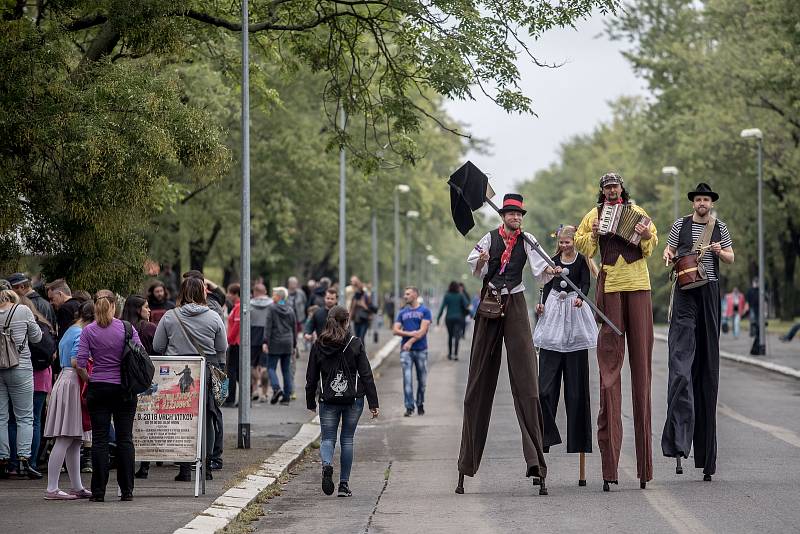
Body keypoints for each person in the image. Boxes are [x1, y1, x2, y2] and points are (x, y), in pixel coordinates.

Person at [455, 194, 557, 496]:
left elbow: (541, 266)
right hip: (490, 303)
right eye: (512, 214)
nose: (516, 218)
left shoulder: (528, 239)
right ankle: (465, 465)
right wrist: (483, 263)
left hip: (515, 301)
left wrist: (553, 270)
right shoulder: (488, 238)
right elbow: (475, 264)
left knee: (527, 380)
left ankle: (537, 464)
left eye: (519, 214)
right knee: (477, 383)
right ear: (503, 216)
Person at [575, 172, 658, 492]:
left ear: (622, 189)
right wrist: (593, 233)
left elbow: (650, 246)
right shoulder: (593, 215)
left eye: (615, 186)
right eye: (607, 187)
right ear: (602, 190)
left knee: (643, 374)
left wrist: (645, 233)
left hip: (639, 287)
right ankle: (610, 467)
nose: (611, 190)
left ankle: (644, 468)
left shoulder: (638, 213)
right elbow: (585, 248)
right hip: (610, 289)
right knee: (609, 373)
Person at [662, 183, 734, 482]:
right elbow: (668, 249)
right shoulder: (681, 224)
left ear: (710, 203)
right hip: (684, 292)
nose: (702, 203)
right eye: (699, 199)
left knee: (707, 367)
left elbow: (731, 256)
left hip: (709, 293)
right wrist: (668, 254)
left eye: (706, 199)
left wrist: (720, 250)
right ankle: (678, 440)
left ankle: (706, 456)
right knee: (680, 365)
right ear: (693, 202)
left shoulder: (720, 227)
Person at [533, 225, 597, 484]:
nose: (565, 245)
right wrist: (540, 304)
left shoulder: (582, 260)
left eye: (569, 241)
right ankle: (544, 443)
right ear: (558, 242)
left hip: (575, 322)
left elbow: (585, 283)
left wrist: (580, 296)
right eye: (562, 242)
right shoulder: (551, 262)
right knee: (544, 391)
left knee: (577, 393)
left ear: (574, 241)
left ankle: (579, 447)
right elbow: (545, 288)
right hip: (553, 322)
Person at [153, 277, 228, 480]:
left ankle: (185, 469)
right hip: (205, 371)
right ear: (202, 293)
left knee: (181, 418)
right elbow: (222, 347)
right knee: (206, 417)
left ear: (182, 293)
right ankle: (207, 466)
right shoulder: (213, 317)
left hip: (178, 376)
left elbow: (157, 346)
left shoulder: (170, 317)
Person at [305, 305, 379, 497]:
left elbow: (311, 376)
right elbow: (366, 374)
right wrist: (373, 403)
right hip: (353, 399)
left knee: (328, 438)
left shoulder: (319, 344)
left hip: (328, 399)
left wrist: (310, 401)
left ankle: (327, 464)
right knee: (347, 440)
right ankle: (344, 485)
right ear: (347, 321)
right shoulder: (355, 343)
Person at [75, 294, 142, 501]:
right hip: (123, 389)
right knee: (125, 439)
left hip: (99, 388)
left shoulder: (88, 331)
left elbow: (80, 361)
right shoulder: (127, 328)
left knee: (100, 441)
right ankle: (127, 491)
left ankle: (98, 492)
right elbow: (141, 354)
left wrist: (90, 379)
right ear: (114, 307)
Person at [43, 301, 94, 500]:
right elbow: (76, 361)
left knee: (73, 439)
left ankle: (76, 486)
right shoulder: (81, 333)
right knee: (65, 437)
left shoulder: (70, 330)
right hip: (73, 381)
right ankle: (52, 488)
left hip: (66, 380)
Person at [9, 294, 57, 473]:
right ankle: (31, 462)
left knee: (13, 420)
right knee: (34, 420)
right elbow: (52, 351)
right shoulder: (43, 325)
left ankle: (12, 463)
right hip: (41, 376)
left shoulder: (10, 321)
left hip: (15, 370)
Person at [0, 290, 43, 479]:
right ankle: (24, 460)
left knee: (1, 417)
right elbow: (37, 338)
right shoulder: (23, 310)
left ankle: (3, 459)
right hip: (21, 367)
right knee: (25, 417)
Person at [393, 286, 432, 418]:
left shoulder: (425, 311)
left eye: (408, 294)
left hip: (421, 350)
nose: (405, 296)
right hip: (406, 352)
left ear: (415, 294)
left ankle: (420, 403)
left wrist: (409, 341)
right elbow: (395, 330)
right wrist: (409, 333)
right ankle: (409, 407)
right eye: (405, 294)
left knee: (422, 380)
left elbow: (422, 331)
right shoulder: (402, 312)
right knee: (407, 379)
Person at [263, 287, 297, 406]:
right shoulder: (290, 309)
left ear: (279, 297)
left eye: (274, 295)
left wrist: (265, 341)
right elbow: (294, 328)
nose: (273, 297)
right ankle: (286, 397)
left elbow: (268, 326)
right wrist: (294, 344)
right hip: (288, 342)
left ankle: (276, 388)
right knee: (286, 370)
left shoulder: (272, 309)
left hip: (275, 342)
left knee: (271, 367)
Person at [247, 283, 272, 403]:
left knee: (252, 365)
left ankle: (255, 389)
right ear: (265, 291)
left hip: (252, 336)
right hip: (266, 337)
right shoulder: (272, 305)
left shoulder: (249, 305)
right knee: (265, 367)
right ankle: (265, 393)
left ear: (255, 292)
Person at [437, 281, 470, 360]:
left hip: (449, 318)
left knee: (450, 336)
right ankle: (456, 354)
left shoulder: (447, 296)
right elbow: (467, 304)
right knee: (457, 336)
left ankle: (449, 354)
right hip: (459, 318)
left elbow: (442, 307)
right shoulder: (460, 295)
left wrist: (438, 318)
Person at [225, 283, 241, 404]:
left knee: (232, 371)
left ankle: (231, 399)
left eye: (230, 293)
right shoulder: (236, 306)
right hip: (235, 342)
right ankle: (245, 396)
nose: (228, 295)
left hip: (236, 343)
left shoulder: (238, 307)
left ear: (235, 294)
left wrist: (228, 340)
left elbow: (236, 326)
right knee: (238, 371)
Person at [349, 277, 373, 341]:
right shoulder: (354, 297)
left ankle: (361, 351)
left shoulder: (366, 296)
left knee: (361, 338)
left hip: (364, 320)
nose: (356, 290)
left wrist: (363, 305)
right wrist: (349, 320)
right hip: (356, 320)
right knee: (357, 339)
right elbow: (351, 309)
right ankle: (359, 351)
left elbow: (372, 309)